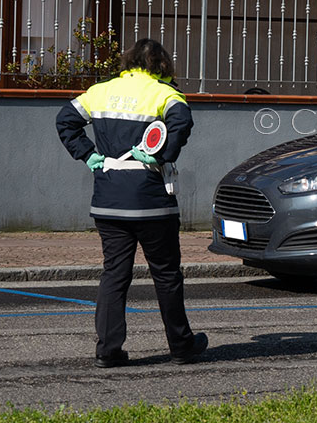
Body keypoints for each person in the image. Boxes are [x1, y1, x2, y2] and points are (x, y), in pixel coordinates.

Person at [56, 38, 207, 368]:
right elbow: (182, 122)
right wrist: (161, 154)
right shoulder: (164, 93)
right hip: (151, 201)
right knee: (166, 275)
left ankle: (108, 350)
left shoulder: (100, 91)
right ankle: (182, 347)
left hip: (108, 200)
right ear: (162, 65)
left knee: (114, 274)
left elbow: (65, 120)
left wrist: (89, 155)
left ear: (127, 62)